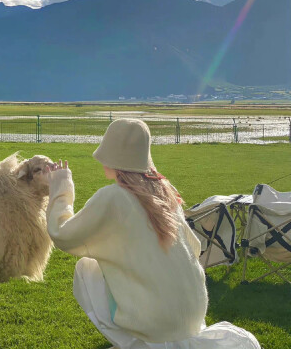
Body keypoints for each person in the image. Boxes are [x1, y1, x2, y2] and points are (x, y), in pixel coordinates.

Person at [44, 118, 260, 349]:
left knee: (88, 268)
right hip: (193, 316)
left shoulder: (114, 197)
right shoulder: (164, 192)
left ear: (111, 156)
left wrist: (61, 186)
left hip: (156, 323)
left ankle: (136, 338)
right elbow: (194, 246)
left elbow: (63, 234)